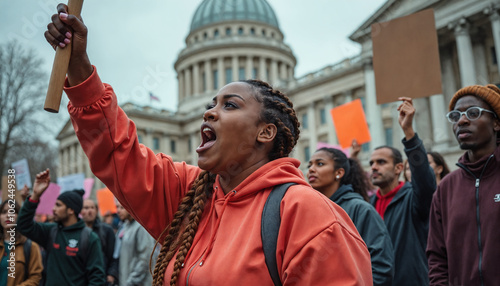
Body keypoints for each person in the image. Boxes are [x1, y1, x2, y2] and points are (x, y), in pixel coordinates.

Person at [42, 5, 373, 285]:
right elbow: (119, 153)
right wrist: (80, 66)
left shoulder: (309, 216)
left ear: (266, 132)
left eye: (229, 105)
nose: (209, 111)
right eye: (212, 103)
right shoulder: (190, 195)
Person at [427, 84, 500, 285]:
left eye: (473, 113)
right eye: (455, 116)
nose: (462, 120)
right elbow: (436, 255)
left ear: (496, 123)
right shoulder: (446, 188)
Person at [369, 97, 436, 286]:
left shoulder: (413, 199)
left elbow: (424, 179)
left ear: (399, 168)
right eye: (371, 163)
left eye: (381, 162)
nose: (374, 167)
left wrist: (409, 133)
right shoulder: (368, 206)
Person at [307, 147, 395, 285]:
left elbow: (381, 267)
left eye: (320, 164)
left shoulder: (361, 209)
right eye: (309, 165)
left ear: (339, 173)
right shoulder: (310, 211)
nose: (311, 169)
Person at [18, 169, 106, 286]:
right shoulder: (51, 231)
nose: (53, 209)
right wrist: (35, 195)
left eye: (58, 205)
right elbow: (23, 225)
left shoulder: (90, 238)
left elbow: (97, 279)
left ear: (71, 210)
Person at [0, 200, 43, 286]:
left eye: (12, 212)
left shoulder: (30, 246)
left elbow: (36, 278)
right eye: (4, 212)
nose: (8, 215)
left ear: (19, 216)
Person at [114, 200, 155, 286]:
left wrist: (131, 281)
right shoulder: (125, 226)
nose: (118, 210)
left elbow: (144, 259)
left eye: (122, 207)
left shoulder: (141, 227)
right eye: (117, 207)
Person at [81, 199, 118, 285]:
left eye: (92, 208)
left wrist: (111, 274)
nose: (90, 211)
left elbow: (113, 255)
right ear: (81, 211)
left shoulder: (107, 230)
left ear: (96, 210)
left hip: (102, 278)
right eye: (86, 208)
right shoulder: (77, 231)